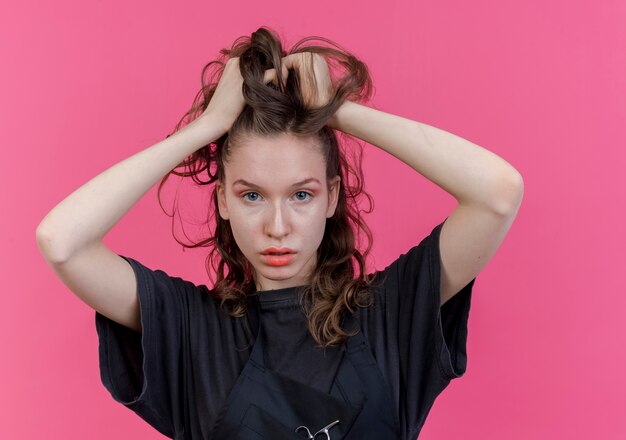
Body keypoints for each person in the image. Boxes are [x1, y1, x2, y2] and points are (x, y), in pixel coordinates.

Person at [35, 27, 523, 440]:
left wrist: (336, 110)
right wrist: (205, 129)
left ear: (332, 197)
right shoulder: (191, 330)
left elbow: (497, 193)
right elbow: (62, 242)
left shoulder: (391, 316)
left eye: (302, 195)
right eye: (251, 195)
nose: (277, 226)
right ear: (223, 199)